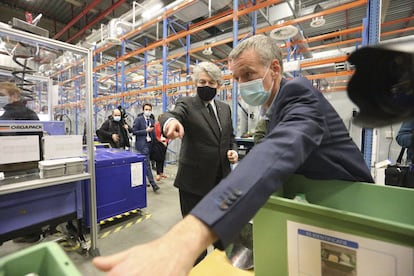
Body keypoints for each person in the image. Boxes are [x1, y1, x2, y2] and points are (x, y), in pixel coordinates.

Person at [93, 34, 373, 275]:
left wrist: (187, 236)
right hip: (320, 207)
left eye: (249, 74)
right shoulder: (271, 108)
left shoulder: (298, 93)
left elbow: (277, 152)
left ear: (274, 68)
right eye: (237, 78)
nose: (242, 84)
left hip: (355, 210)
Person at [160, 61, 239, 264]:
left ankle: (220, 264)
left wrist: (233, 151)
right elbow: (170, 115)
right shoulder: (187, 104)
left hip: (221, 182)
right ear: (196, 83)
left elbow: (230, 136)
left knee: (221, 230)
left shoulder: (224, 108)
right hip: (193, 184)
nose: (206, 85)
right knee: (195, 237)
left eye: (211, 82)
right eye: (202, 81)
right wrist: (170, 122)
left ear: (218, 85)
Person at [0, 82, 41, 243]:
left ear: (14, 96)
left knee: (17, 201)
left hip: (13, 167)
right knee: (31, 198)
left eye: (2, 95)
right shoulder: (31, 114)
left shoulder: (7, 117)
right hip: (32, 164)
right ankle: (33, 232)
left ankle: (24, 232)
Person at [132, 103, 160, 193]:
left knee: (144, 164)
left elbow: (153, 133)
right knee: (147, 164)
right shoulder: (138, 120)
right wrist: (145, 131)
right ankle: (153, 184)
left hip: (150, 144)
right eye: (146, 109)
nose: (148, 111)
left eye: (149, 109)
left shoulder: (152, 120)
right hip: (142, 144)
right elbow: (134, 132)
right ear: (143, 110)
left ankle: (143, 181)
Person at [151, 114, 169, 181]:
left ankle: (161, 172)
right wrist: (162, 141)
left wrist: (166, 141)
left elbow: (168, 134)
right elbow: (156, 135)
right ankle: (158, 173)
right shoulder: (156, 125)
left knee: (163, 158)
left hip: (165, 143)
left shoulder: (166, 126)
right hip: (158, 143)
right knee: (158, 158)